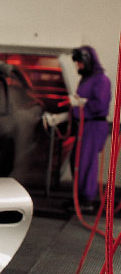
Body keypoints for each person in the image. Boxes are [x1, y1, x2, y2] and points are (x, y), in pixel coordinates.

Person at [43, 46, 110, 214]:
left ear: (87, 61)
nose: (77, 66)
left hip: (94, 126)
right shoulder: (86, 80)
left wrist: (81, 104)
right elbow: (78, 106)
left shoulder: (101, 80)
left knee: (86, 162)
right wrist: (60, 118)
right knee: (77, 161)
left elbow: (99, 105)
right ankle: (79, 197)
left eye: (79, 62)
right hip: (84, 125)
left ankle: (86, 199)